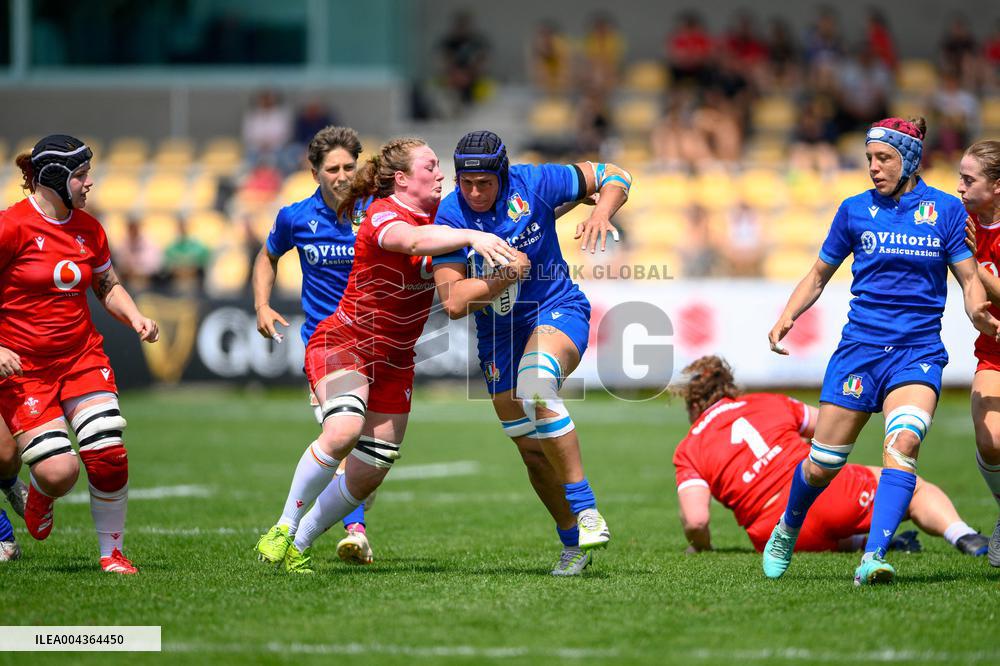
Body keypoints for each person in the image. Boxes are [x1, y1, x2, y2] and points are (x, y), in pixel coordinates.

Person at [257, 137, 518, 573]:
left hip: (396, 360)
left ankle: (298, 546)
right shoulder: (382, 213)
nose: (440, 174)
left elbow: (499, 217)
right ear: (401, 179)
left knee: (372, 468)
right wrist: (474, 234)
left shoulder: (446, 215)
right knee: (342, 431)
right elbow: (413, 242)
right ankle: (283, 526)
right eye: (431, 166)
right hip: (345, 343)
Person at [763, 117, 1000, 585]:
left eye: (884, 158)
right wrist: (786, 316)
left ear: (909, 160)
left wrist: (976, 311)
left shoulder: (946, 212)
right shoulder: (853, 210)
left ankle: (873, 556)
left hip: (917, 353)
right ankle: (788, 527)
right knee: (824, 463)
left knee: (904, 444)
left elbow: (970, 279)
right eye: (870, 158)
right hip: (860, 351)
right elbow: (817, 275)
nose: (873, 167)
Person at [431, 130, 631, 575]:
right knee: (531, 452)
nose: (476, 192)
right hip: (498, 336)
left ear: (503, 174)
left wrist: (600, 212)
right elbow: (455, 302)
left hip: (557, 308)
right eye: (467, 183)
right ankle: (572, 542)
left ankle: (587, 509)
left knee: (537, 384)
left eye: (485, 183)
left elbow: (615, 175)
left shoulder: (535, 182)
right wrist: (504, 277)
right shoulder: (447, 218)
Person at [0, 134, 160, 574]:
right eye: (82, 175)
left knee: (108, 450)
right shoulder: (9, 226)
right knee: (59, 473)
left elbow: (106, 285)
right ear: (55, 177)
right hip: (25, 370)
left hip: (81, 357)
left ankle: (112, 554)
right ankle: (39, 493)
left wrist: (136, 317)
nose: (90, 183)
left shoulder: (90, 229)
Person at [673, 356, 989, 556]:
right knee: (914, 488)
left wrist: (702, 547)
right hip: (825, 495)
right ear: (730, 387)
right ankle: (964, 536)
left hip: (773, 532)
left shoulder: (688, 450)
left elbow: (697, 519)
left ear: (691, 405)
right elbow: (828, 429)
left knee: (816, 533)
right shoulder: (767, 402)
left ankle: (858, 543)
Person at [253, 126, 376, 566]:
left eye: (349, 166)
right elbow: (267, 256)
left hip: (382, 347)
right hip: (329, 347)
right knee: (342, 435)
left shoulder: (379, 213)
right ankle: (347, 532)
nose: (342, 175)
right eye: (332, 169)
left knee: (373, 457)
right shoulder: (295, 218)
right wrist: (262, 304)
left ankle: (330, 530)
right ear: (314, 173)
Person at [959, 139, 1000, 566]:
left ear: (997, 186)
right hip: (994, 348)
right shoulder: (963, 220)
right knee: (990, 442)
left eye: (968, 180)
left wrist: (974, 265)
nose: (959, 187)